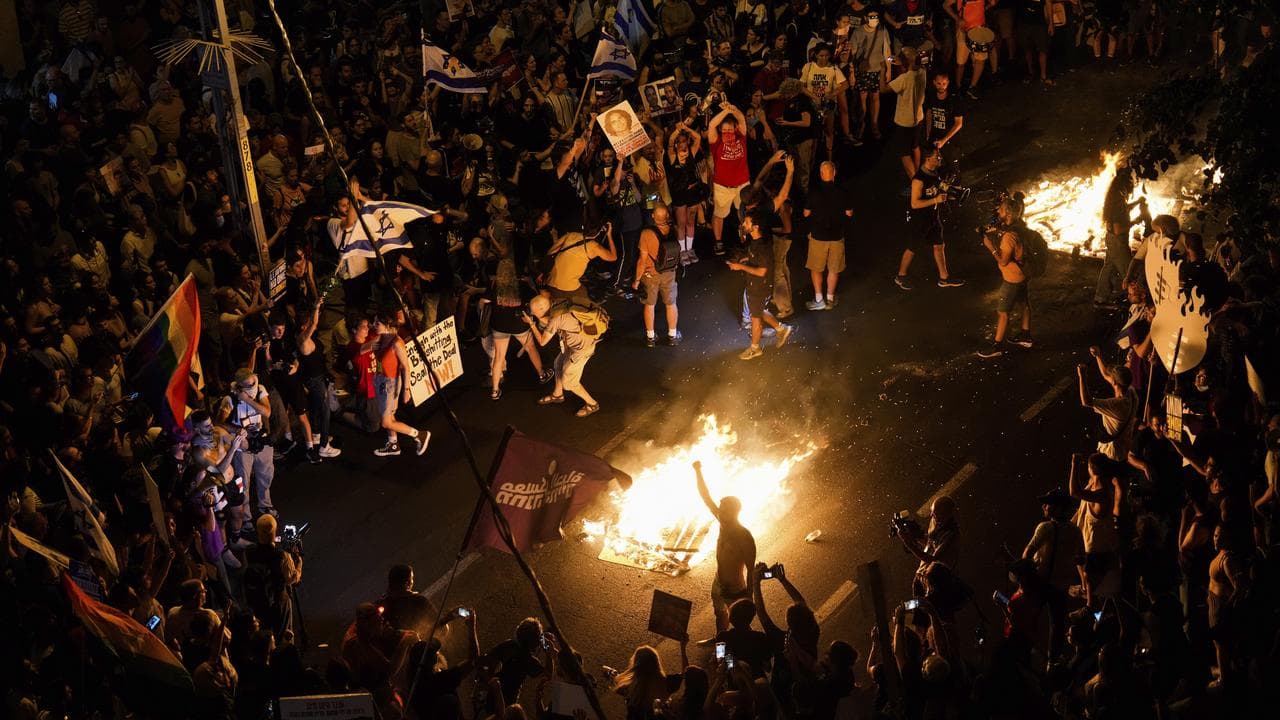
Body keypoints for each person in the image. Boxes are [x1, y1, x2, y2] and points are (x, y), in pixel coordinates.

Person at [694, 460, 757, 637]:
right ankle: (720, 643)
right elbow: (706, 497)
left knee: (740, 624)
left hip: (735, 590)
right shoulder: (723, 523)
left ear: (734, 512)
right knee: (719, 615)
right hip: (719, 583)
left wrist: (749, 598)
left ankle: (742, 648)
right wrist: (698, 471)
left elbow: (751, 570)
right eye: (719, 510)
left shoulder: (744, 537)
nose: (719, 513)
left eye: (723, 511)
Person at [1022, 487, 1085, 663]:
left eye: (1048, 504)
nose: (1044, 507)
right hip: (1061, 587)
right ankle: (1052, 662)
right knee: (1057, 626)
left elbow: (1028, 552)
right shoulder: (1076, 531)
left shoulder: (1046, 528)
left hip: (1041, 583)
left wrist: (1025, 576)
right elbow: (1081, 559)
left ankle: (1024, 656)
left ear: (1058, 508)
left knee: (1029, 621)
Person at [728, 209, 794, 359]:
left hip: (759, 286)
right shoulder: (755, 241)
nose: (744, 224)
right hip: (755, 285)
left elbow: (761, 272)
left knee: (755, 319)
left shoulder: (763, 246)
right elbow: (757, 261)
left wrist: (740, 267)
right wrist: (747, 261)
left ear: (756, 226)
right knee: (758, 311)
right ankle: (781, 328)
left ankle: (755, 348)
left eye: (746, 222)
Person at [895, 149, 965, 290]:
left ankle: (944, 278)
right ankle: (900, 276)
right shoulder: (918, 180)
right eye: (936, 156)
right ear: (927, 159)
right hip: (920, 220)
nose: (940, 158)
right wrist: (935, 200)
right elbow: (914, 204)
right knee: (912, 247)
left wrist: (951, 193)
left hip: (933, 217)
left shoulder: (935, 173)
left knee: (939, 245)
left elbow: (938, 189)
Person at [523, 294, 602, 418]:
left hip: (580, 351)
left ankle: (592, 404)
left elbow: (542, 342)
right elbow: (552, 323)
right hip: (573, 345)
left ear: (542, 309)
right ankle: (558, 395)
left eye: (533, 312)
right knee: (558, 364)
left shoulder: (556, 318)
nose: (532, 314)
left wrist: (531, 324)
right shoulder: (559, 305)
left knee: (569, 383)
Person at [977, 192, 1032, 357]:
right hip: (1024, 274)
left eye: (1000, 210)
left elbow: (1002, 260)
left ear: (1008, 213)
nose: (998, 212)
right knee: (1024, 304)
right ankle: (1026, 336)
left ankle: (997, 346)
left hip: (1012, 279)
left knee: (1002, 312)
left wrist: (989, 245)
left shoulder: (1009, 237)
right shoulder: (1020, 226)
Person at [369, 311, 430, 457]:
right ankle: (393, 443)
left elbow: (406, 367)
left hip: (390, 383)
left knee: (386, 422)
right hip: (381, 380)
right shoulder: (381, 338)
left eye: (378, 323)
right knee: (389, 415)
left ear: (388, 325)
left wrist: (406, 389)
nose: (374, 325)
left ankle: (419, 434)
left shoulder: (396, 343)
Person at [1068, 453, 1123, 607]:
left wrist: (1074, 465)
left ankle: (1088, 597)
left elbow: (1074, 492)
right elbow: (1082, 510)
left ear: (1091, 469)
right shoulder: (1092, 484)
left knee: (1095, 601)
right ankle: (1086, 589)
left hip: (1098, 551)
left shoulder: (1102, 494)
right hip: (1089, 547)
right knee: (1076, 557)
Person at [221, 367, 277, 520]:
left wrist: (247, 400)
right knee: (243, 482)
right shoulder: (229, 399)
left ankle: (265, 505)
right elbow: (219, 422)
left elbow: (266, 412)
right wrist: (239, 430)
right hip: (242, 446)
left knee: (266, 475)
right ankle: (245, 517)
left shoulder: (260, 390)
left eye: (254, 382)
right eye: (249, 385)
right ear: (239, 387)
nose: (253, 386)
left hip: (261, 439)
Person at [1094, 170, 1150, 306]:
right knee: (1128, 272)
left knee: (1108, 268)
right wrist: (1136, 221)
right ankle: (1137, 302)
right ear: (1125, 186)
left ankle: (1100, 299)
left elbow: (1124, 210)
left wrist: (1137, 202)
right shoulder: (1118, 202)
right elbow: (1119, 230)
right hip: (1118, 241)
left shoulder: (1115, 198)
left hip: (1112, 239)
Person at [803, 161, 853, 311]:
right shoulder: (843, 191)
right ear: (834, 173)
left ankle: (819, 299)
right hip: (837, 235)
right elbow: (849, 213)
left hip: (818, 235)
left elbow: (806, 213)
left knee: (816, 268)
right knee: (833, 268)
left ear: (821, 174)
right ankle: (830, 298)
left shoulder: (813, 192)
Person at [243, 514, 303, 640]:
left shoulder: (249, 551)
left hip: (258, 601)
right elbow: (291, 578)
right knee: (284, 636)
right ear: (275, 531)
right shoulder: (282, 556)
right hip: (279, 602)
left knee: (263, 634)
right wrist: (299, 564)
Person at [632, 204, 683, 347]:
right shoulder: (674, 229)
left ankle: (650, 337)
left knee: (650, 305)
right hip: (669, 273)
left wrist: (636, 280)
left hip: (650, 275)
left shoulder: (646, 234)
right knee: (671, 304)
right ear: (667, 216)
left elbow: (642, 260)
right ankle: (672, 335)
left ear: (653, 216)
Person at [706, 103, 751, 256]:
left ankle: (746, 238)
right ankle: (718, 242)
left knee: (745, 213)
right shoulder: (716, 142)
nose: (727, 132)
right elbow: (712, 125)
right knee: (719, 214)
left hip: (742, 184)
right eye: (724, 130)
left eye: (730, 129)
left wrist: (734, 108)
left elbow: (741, 118)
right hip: (722, 186)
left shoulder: (742, 137)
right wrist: (725, 111)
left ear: (735, 129)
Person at [1078, 349, 1139, 462]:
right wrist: (1098, 355)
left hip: (1111, 453)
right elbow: (1106, 375)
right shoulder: (1131, 392)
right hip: (1123, 446)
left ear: (1114, 383)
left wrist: (1082, 376)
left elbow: (1086, 402)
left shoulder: (1117, 405)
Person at [896, 495, 962, 595]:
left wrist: (908, 543)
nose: (931, 515)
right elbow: (930, 543)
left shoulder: (951, 534)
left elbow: (932, 560)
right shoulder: (936, 521)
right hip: (920, 576)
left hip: (935, 582)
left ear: (946, 514)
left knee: (931, 608)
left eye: (935, 513)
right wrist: (914, 536)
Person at [888, 46, 927, 180]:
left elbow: (883, 88)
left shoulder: (904, 78)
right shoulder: (922, 72)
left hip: (904, 121)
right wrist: (903, 64)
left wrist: (883, 70)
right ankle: (918, 174)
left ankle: (915, 183)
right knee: (915, 147)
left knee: (904, 153)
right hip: (918, 117)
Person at [377, 564, 441, 640]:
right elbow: (441, 629)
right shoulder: (419, 601)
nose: (413, 582)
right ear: (407, 583)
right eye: (412, 578)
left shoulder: (379, 604)